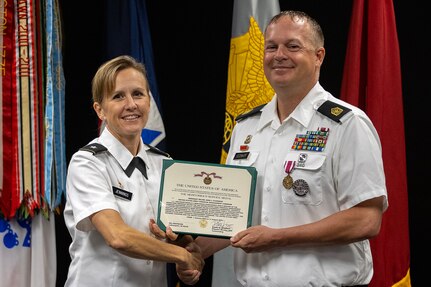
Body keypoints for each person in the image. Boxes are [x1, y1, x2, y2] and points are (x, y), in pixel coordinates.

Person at [170, 10, 388, 287]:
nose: (279, 54)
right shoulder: (246, 128)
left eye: (293, 46)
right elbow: (234, 217)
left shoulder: (346, 124)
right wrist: (195, 254)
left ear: (319, 56)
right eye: (271, 47)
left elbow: (366, 220)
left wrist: (278, 237)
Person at [63, 55, 203, 287]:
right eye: (118, 96)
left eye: (138, 94)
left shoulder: (164, 164)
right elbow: (118, 237)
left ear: (149, 100)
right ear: (100, 110)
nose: (131, 104)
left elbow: (176, 233)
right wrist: (182, 257)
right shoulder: (87, 163)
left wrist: (189, 255)